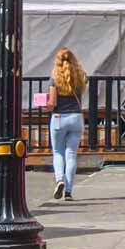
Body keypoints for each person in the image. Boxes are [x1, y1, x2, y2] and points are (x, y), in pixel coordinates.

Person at [47, 47, 87, 201]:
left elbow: (52, 103)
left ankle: (59, 180)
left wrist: (45, 105)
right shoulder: (80, 76)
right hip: (76, 117)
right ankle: (69, 192)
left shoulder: (54, 78)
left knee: (58, 152)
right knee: (71, 155)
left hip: (58, 118)